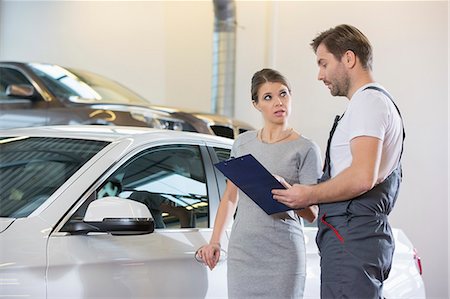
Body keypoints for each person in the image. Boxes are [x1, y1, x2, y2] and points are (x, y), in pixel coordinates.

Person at [272, 24, 405, 299]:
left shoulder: (369, 103)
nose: (320, 75)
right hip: (351, 236)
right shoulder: (370, 104)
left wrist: (307, 195)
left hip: (352, 238)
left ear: (348, 58)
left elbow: (361, 177)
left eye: (323, 64)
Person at [196, 68, 322, 299]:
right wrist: (214, 242)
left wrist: (288, 192)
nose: (278, 102)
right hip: (243, 251)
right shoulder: (242, 143)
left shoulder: (306, 149)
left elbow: (312, 213)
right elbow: (230, 198)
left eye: (283, 94)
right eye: (268, 97)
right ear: (256, 104)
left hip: (283, 253)